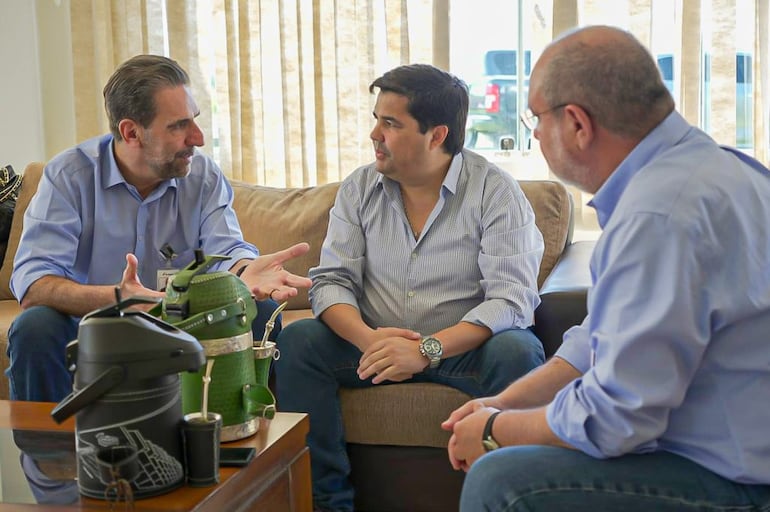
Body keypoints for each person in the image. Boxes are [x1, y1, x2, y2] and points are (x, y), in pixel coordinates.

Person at [443, 25, 770, 511]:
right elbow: (595, 343)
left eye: (536, 117)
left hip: (735, 481)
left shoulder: (657, 215)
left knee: (502, 480)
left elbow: (617, 416)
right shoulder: (722, 171)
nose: (533, 134)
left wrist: (494, 431)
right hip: (732, 454)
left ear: (577, 123)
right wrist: (504, 404)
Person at [275, 63, 546, 512]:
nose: (373, 134)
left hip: (462, 349)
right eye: (376, 118)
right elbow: (332, 281)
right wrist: (372, 341)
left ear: (436, 135)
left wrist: (427, 350)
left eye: (390, 123)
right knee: (299, 340)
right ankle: (324, 503)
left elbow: (511, 299)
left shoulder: (495, 192)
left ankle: (505, 500)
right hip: (372, 345)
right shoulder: (360, 187)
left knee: (519, 351)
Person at [7, 54, 312, 403]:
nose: (197, 138)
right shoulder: (69, 177)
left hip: (184, 330)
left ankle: (240, 448)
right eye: (179, 126)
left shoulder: (202, 176)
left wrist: (245, 271)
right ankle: (50, 455)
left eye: (194, 120)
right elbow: (34, 284)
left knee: (251, 313)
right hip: (93, 331)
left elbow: (225, 253)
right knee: (34, 328)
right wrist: (119, 299)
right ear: (131, 132)